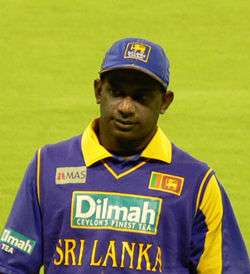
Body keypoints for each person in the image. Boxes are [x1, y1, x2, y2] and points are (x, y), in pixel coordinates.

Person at [0, 38, 249, 274]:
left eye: (141, 97)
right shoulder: (49, 167)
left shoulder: (196, 183)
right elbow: (12, 265)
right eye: (117, 93)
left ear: (165, 102)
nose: (126, 107)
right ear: (98, 91)